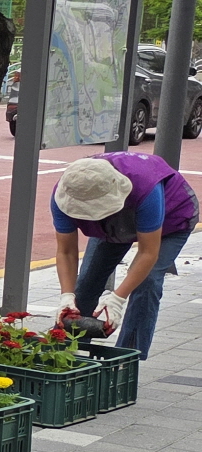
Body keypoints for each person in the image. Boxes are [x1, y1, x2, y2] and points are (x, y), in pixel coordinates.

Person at [52, 152, 197, 359]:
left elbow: (148, 252)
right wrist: (67, 296)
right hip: (111, 223)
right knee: (85, 283)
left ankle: (128, 357)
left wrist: (117, 299)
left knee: (146, 282)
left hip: (171, 218)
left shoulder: (147, 189)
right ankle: (66, 355)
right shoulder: (68, 191)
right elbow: (66, 251)